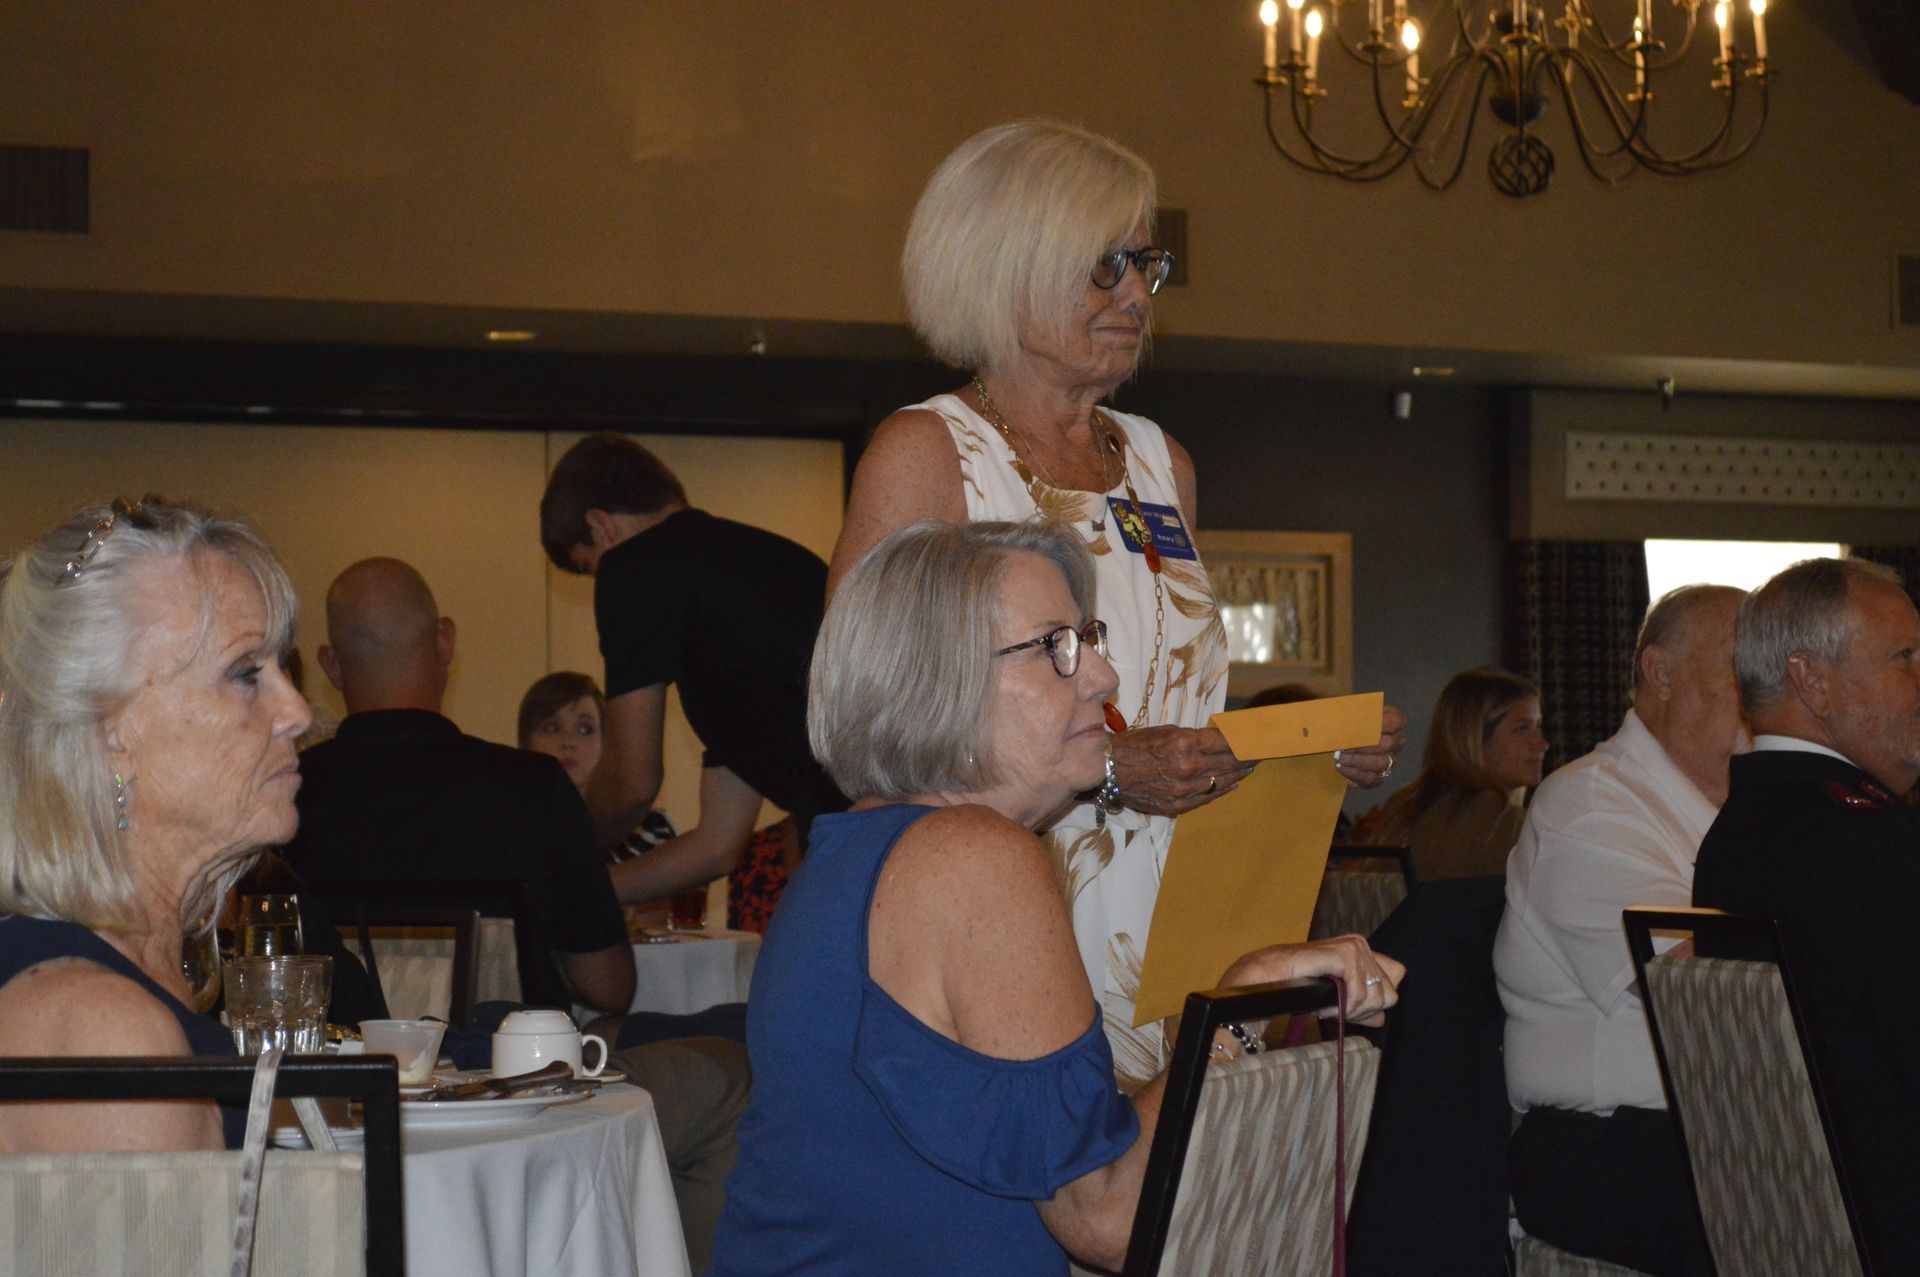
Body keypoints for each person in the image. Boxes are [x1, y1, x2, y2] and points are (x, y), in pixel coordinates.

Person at [826, 119, 1404, 1082]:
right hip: (1012, 919)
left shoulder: (1157, 461)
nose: (1137, 294)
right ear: (1008, 268)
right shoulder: (930, 454)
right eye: (1106, 266)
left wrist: (1296, 754)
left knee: (1182, 1206)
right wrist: (1100, 771)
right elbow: (865, 738)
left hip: (1192, 921)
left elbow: (1178, 710)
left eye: (1145, 263)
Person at [710, 519, 1404, 1275]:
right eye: (1056, 646)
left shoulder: (858, 847)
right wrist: (1242, 999)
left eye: (1088, 636)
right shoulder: (972, 854)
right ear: (937, 678)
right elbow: (1109, 1218)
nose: (1103, 674)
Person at [0, 497, 311, 1151]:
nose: (299, 711)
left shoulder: (122, 988)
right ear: (109, 731)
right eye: (244, 672)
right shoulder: (100, 1035)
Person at [1494, 584, 1745, 1277]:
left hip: (1712, 1127)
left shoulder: (1752, 814)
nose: (1762, 682)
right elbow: (1699, 986)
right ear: (1661, 673)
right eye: (1740, 660)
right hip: (1603, 1143)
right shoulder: (1588, 803)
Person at [1693, 557, 1920, 1271]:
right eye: (1905, 658)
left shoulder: (1736, 833)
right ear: (1811, 681)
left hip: (1796, 1219)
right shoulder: (1865, 842)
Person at [284, 558, 635, 1016]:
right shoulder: (532, 787)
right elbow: (608, 988)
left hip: (345, 1076)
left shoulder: (285, 797)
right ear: (444, 642)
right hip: (507, 1076)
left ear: (331, 666)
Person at [539, 434, 848, 914]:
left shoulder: (634, 567)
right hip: (888, 825)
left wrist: (559, 858)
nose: (603, 583)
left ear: (600, 526)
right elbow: (717, 845)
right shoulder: (755, 574)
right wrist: (575, 893)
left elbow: (631, 785)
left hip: (851, 832)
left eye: (589, 568)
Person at [517, 670, 791, 931]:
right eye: (551, 727)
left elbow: (664, 919)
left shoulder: (651, 828)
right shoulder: (513, 828)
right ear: (526, 740)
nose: (568, 742)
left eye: (585, 729)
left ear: (609, 743)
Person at [1354, 670, 1547, 880]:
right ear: (1472, 737)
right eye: (1522, 730)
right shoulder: (1504, 823)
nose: (1542, 744)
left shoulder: (1404, 804)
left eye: (1537, 727)